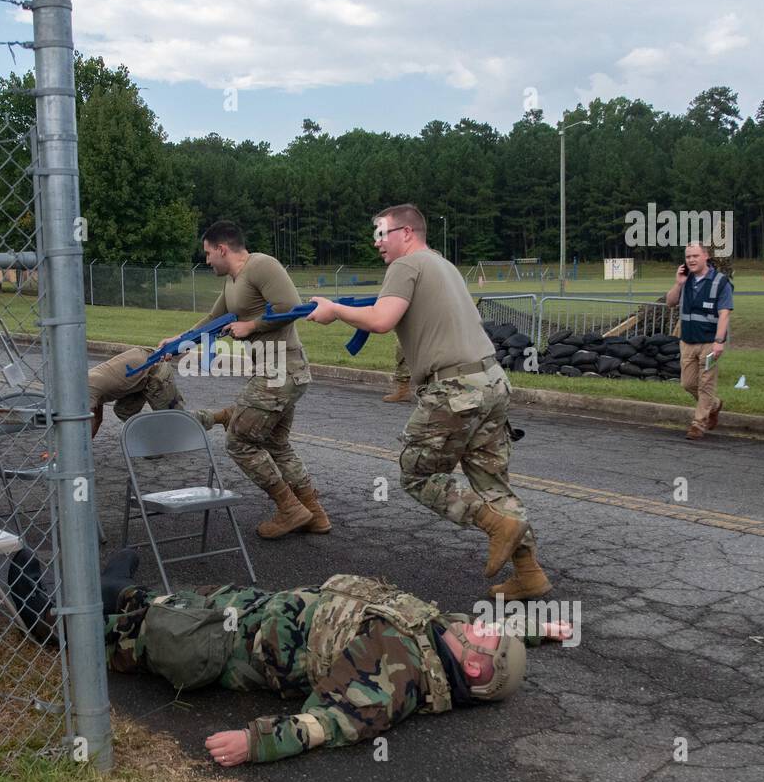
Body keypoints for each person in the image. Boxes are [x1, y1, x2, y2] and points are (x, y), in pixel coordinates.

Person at [92, 557, 569, 766]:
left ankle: (58, 621)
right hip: (265, 608)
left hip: (231, 647)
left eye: (487, 635)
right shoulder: (438, 635)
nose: (481, 624)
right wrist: (538, 631)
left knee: (144, 634)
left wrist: (253, 743)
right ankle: (126, 590)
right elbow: (474, 627)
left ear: (472, 667)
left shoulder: (395, 682)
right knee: (182, 598)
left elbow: (329, 724)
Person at [306, 203, 549, 600]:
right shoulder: (442, 265)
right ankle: (529, 572)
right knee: (491, 481)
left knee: (416, 475)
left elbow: (382, 320)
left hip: (455, 389)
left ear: (406, 233)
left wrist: (333, 310)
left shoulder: (406, 265)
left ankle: (493, 524)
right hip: (491, 381)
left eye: (382, 233)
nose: (377, 242)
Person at [164, 220, 330, 539]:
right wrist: (176, 342)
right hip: (277, 371)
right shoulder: (232, 281)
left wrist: (251, 327)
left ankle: (290, 509)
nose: (207, 260)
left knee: (239, 441)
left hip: (280, 369)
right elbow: (212, 322)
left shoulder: (261, 265)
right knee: (275, 443)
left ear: (223, 248)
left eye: (209, 253)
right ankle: (314, 515)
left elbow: (291, 307)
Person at [664, 241, 733, 440]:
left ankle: (698, 424)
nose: (691, 260)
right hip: (687, 341)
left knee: (706, 384)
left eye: (695, 256)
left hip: (709, 342)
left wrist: (720, 341)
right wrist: (678, 283)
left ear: (706, 256)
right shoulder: (686, 280)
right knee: (687, 383)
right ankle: (715, 405)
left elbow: (724, 313)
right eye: (688, 257)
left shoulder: (720, 282)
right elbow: (670, 302)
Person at [87, 347, 183, 438]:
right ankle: (151, 441)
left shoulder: (87, 390)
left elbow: (86, 425)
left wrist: (80, 449)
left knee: (175, 418)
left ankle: (197, 419)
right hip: (137, 375)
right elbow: (97, 419)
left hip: (154, 366)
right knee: (123, 411)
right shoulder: (86, 387)